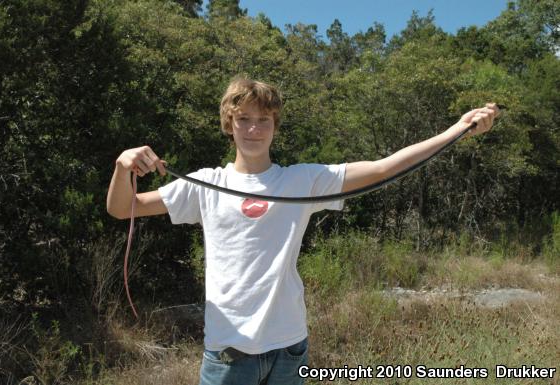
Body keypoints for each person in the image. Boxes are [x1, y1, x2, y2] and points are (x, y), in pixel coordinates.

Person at [106, 78, 499, 385]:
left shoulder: (303, 180)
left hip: (289, 349)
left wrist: (457, 129)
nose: (254, 129)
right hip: (227, 353)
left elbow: (383, 167)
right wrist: (123, 167)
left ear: (275, 126)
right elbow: (124, 208)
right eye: (244, 119)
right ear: (230, 125)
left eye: (264, 120)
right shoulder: (203, 183)